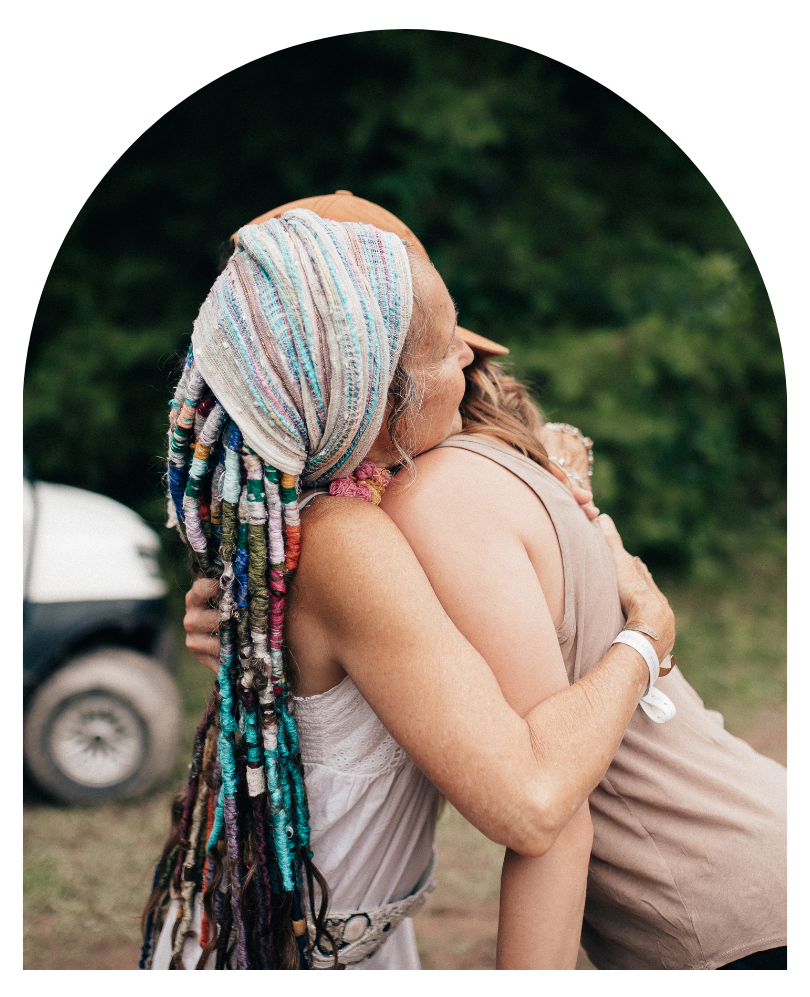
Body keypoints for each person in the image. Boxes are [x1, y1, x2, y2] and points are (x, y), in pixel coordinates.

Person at [181, 193, 804, 971]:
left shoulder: (418, 502)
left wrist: (646, 636)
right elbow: (535, 798)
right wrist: (259, 628)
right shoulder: (364, 520)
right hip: (734, 877)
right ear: (370, 393)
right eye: (447, 343)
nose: (471, 357)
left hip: (723, 906)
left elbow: (545, 805)